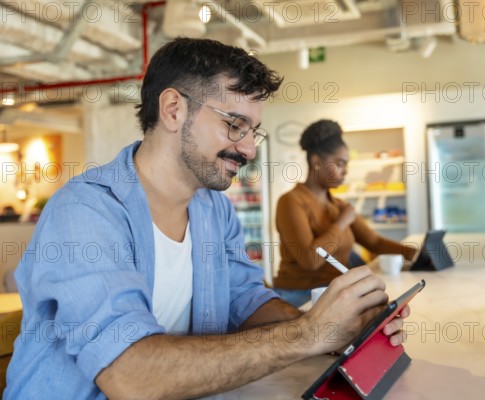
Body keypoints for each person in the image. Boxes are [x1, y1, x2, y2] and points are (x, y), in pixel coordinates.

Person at [4, 39, 410, 399]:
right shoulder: (85, 213)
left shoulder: (213, 210)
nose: (249, 149)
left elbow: (246, 301)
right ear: (174, 109)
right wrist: (307, 334)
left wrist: (336, 330)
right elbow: (131, 377)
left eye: (254, 131)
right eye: (235, 125)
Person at [273, 120, 417, 307]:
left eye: (347, 164)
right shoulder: (291, 201)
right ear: (316, 162)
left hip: (334, 292)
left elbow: (375, 242)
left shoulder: (338, 205)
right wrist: (341, 223)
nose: (345, 171)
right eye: (340, 164)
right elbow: (310, 260)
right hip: (302, 297)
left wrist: (415, 254)